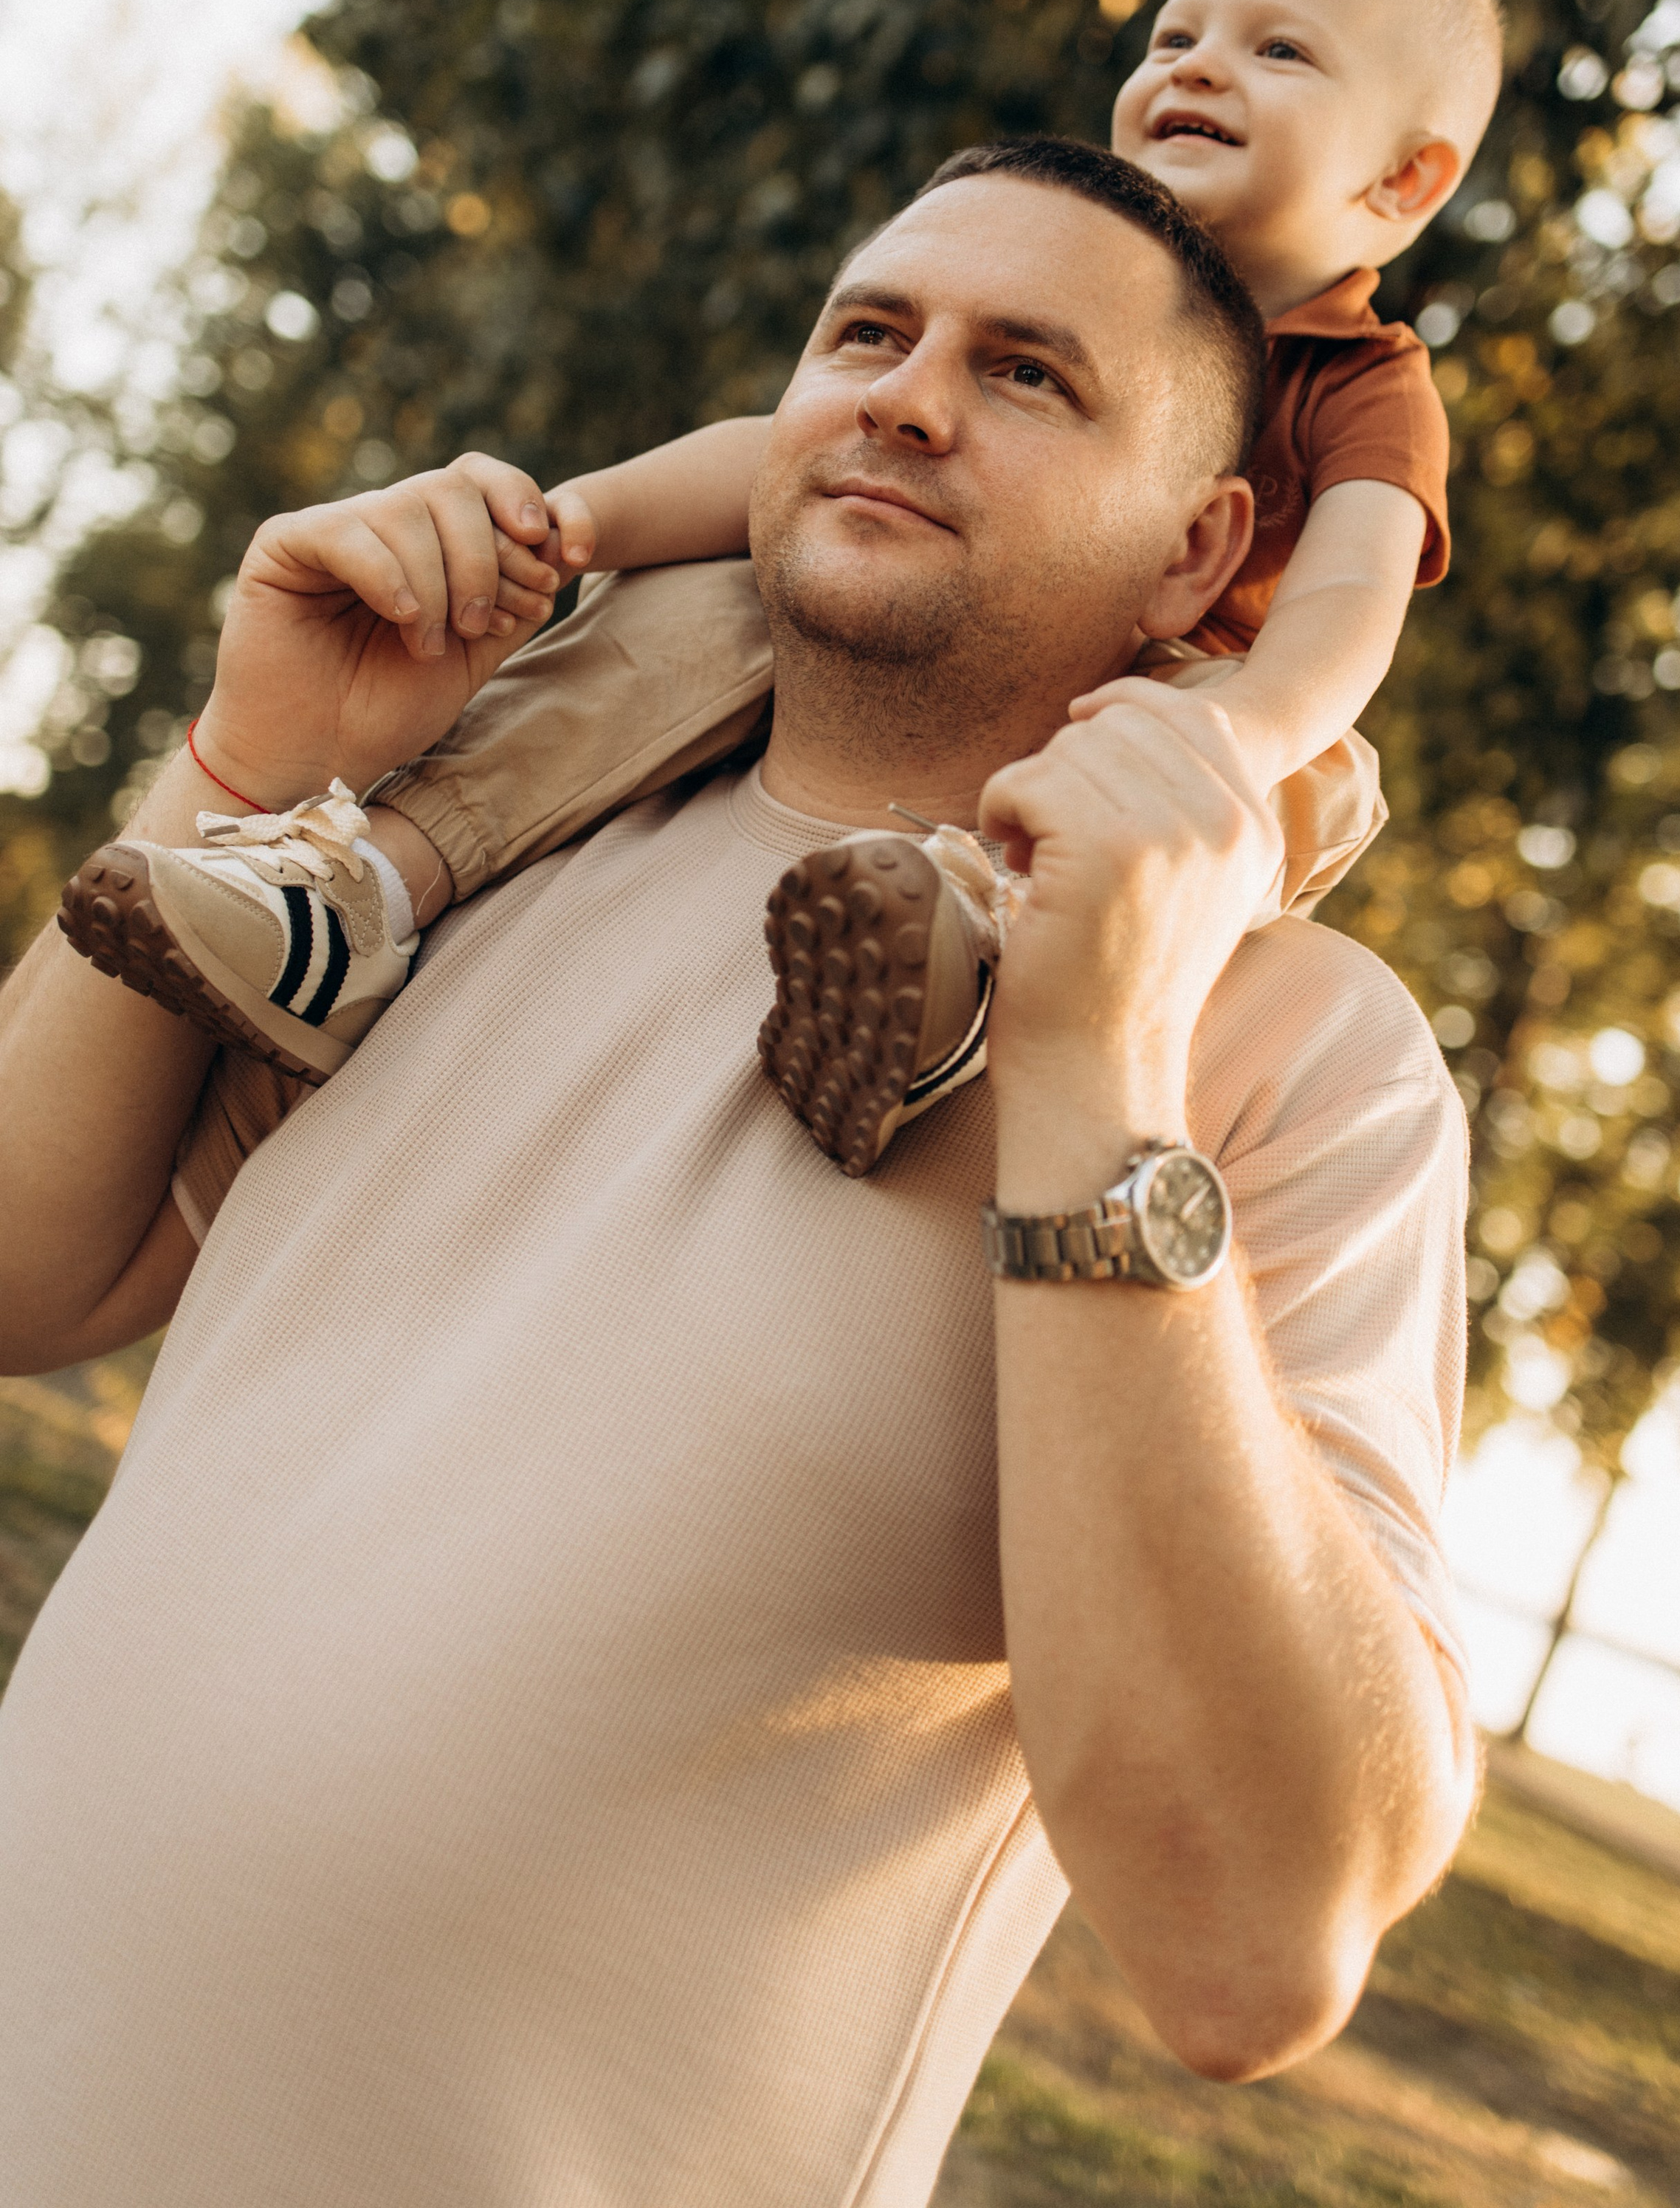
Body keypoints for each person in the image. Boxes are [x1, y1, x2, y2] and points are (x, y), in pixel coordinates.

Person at [0, 144, 1473, 2208]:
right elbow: (21, 1279)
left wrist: (1108, 1058)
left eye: (1031, 375)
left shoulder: (1295, 1046)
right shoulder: (474, 845)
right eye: (867, 331)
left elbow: (1255, 1939)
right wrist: (252, 766)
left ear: (1202, 552)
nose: (906, 395)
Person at [59, 0, 1501, 1172]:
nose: (1192, 64)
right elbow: (780, 456)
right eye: (1173, 34)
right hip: (934, 642)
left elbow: (1351, 593)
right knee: (678, 621)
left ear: (1400, 185)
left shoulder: (1365, 381)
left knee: (1287, 789)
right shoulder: (1033, 254)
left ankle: (944, 968)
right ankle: (363, 891)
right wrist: (568, 528)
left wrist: (1241, 734)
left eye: (1276, 50)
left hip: (1183, 687)